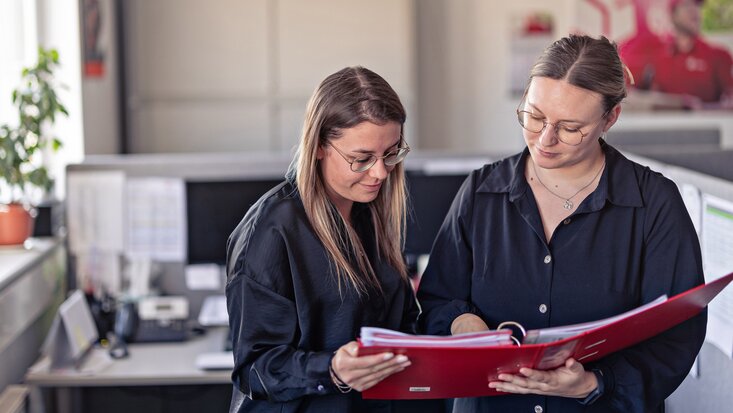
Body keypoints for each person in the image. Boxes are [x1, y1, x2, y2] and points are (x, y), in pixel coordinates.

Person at [417, 34, 707, 413]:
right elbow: (437, 299)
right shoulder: (480, 193)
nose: (545, 139)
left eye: (570, 128)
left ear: (610, 118)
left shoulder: (653, 203)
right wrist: (462, 323)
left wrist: (595, 382)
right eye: (534, 116)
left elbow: (676, 334)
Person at [225, 66, 443, 412]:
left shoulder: (368, 214)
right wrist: (332, 369)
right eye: (362, 159)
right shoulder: (273, 231)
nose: (381, 173)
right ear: (320, 147)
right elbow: (254, 371)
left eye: (391, 153)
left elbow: (397, 328)